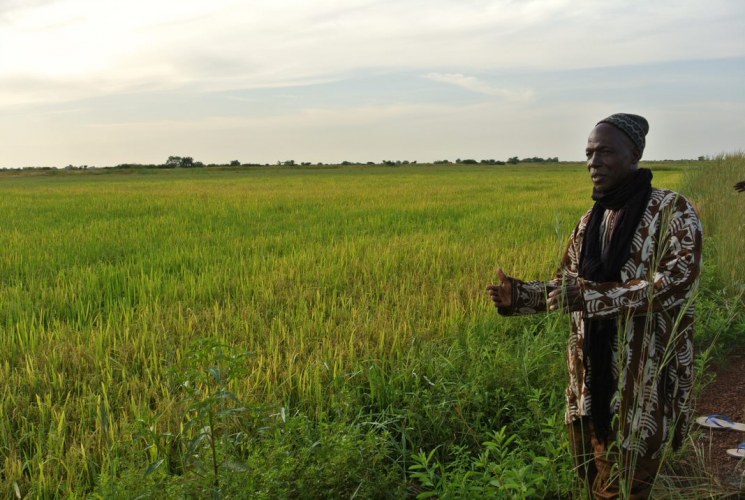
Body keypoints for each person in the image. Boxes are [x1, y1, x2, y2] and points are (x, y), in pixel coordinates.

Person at [487, 114, 702, 499]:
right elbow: (568, 286)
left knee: (624, 487)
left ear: (634, 154)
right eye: (588, 153)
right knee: (592, 480)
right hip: (588, 385)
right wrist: (520, 296)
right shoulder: (590, 221)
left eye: (605, 152)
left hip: (642, 383)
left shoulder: (673, 212)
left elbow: (674, 284)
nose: (593, 162)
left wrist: (593, 297)